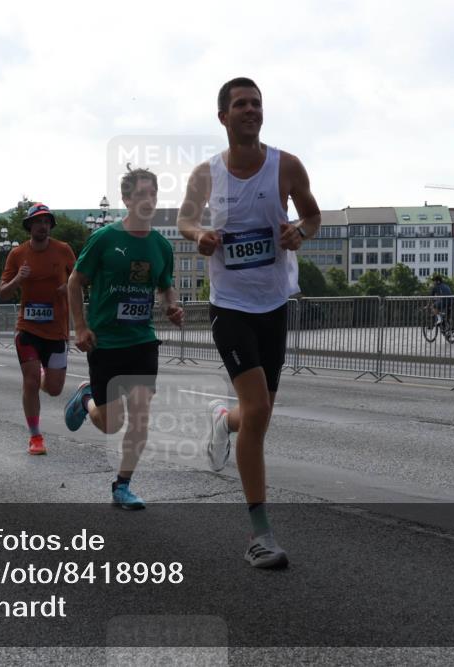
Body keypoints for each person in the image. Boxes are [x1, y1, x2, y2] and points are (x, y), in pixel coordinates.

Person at [177, 77, 321, 568]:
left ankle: (224, 419)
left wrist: (299, 231)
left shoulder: (286, 165)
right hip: (230, 306)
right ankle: (260, 534)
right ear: (223, 116)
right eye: (240, 104)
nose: (250, 110)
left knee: (255, 415)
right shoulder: (207, 174)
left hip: (274, 304)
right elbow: (185, 220)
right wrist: (198, 235)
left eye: (256, 103)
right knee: (258, 408)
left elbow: (313, 215)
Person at [64, 168, 183, 509]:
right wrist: (81, 327)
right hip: (105, 342)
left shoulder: (161, 246)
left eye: (153, 194)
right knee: (110, 423)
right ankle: (87, 397)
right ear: (127, 199)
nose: (148, 200)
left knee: (141, 412)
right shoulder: (104, 239)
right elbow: (75, 282)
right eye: (141, 194)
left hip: (142, 339)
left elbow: (165, 285)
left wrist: (172, 306)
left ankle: (123, 485)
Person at [0, 203, 76, 455]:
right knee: (30, 381)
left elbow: (81, 280)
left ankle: (55, 379)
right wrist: (18, 279)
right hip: (27, 328)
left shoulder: (63, 250)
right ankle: (35, 437)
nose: (42, 226)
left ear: (50, 226)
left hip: (56, 331)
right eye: (38, 221)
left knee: (54, 389)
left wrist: (69, 289)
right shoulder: (17, 254)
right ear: (29, 225)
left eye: (46, 221)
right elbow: (2, 293)